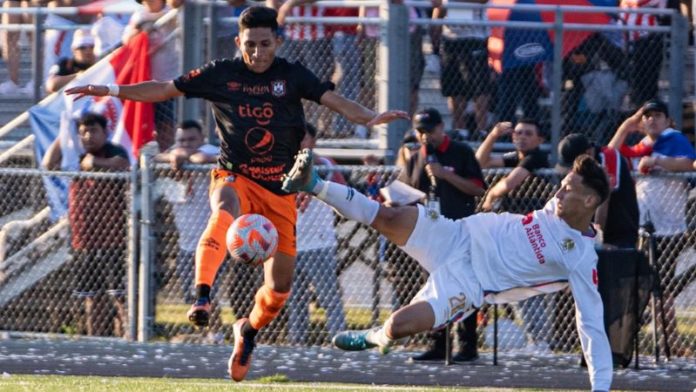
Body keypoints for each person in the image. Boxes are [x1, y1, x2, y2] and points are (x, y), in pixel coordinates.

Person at [65, 6, 408, 382]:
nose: (257, 53)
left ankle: (247, 332)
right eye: (250, 45)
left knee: (279, 290)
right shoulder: (221, 74)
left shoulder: (292, 76)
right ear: (238, 42)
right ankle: (201, 295)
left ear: (278, 41)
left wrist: (370, 117)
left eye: (265, 44)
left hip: (280, 189)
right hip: (235, 174)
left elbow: (334, 100)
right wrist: (111, 90)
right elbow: (163, 89)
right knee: (222, 212)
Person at [282, 150, 612, 392]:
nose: (559, 191)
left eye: (569, 188)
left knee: (400, 325)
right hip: (457, 236)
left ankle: (375, 337)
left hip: (469, 283)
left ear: (588, 202)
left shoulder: (580, 258)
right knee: (391, 217)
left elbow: (591, 323)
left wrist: (599, 387)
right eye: (563, 184)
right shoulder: (556, 206)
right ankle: (312, 182)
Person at [397, 108, 485, 362]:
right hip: (430, 236)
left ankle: (468, 346)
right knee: (433, 289)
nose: (425, 137)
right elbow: (404, 190)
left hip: (459, 231)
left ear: (440, 128)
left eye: (429, 131)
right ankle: (438, 344)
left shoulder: (461, 153)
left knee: (464, 286)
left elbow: (478, 189)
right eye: (420, 132)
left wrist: (445, 175)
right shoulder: (416, 158)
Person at [608, 99, 696, 351]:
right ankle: (665, 340)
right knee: (651, 285)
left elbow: (689, 163)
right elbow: (611, 156)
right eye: (647, 116)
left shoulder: (674, 139)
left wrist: (658, 162)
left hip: (668, 228)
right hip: (642, 226)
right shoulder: (642, 146)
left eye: (658, 115)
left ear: (668, 121)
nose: (652, 119)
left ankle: (669, 340)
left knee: (660, 286)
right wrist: (626, 126)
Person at [43, 112, 130, 336]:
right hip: (84, 238)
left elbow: (123, 164)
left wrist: (95, 162)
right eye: (83, 132)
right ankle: (95, 340)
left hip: (113, 239)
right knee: (92, 298)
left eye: (93, 131)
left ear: (105, 132)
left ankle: (130, 339)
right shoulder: (75, 155)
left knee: (120, 296)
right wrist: (65, 135)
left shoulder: (113, 151)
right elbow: (48, 164)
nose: (88, 136)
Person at [287, 123, 347, 345]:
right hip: (292, 243)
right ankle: (297, 341)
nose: (299, 143)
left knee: (329, 296)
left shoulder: (324, 164)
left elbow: (341, 188)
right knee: (296, 299)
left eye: (303, 138)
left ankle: (339, 339)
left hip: (318, 244)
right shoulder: (284, 165)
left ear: (313, 142)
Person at [154, 120, 219, 302]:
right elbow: (153, 158)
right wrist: (176, 154)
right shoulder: (174, 154)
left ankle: (215, 331)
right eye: (182, 140)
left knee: (207, 295)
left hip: (210, 240)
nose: (186, 144)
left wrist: (184, 155)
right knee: (190, 297)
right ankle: (205, 331)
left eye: (192, 139)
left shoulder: (209, 150)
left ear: (202, 138)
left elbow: (204, 158)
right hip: (186, 243)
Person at [557, 133, 639, 249]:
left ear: (589, 153)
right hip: (588, 232)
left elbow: (603, 200)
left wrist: (597, 242)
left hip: (617, 234)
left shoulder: (608, 157)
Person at [433, 0, 493, 138]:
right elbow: (437, 6)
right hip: (450, 41)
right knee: (455, 89)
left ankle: (482, 131)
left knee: (480, 89)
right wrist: (434, 36)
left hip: (475, 38)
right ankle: (460, 130)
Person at [476, 118, 548, 212]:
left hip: (534, 210)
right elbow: (480, 162)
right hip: (515, 210)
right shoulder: (516, 156)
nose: (522, 137)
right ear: (513, 136)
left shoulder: (536, 157)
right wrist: (493, 135)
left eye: (528, 134)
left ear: (540, 140)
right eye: (518, 132)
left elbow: (508, 184)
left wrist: (491, 195)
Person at [45, 29, 97, 93]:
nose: (88, 51)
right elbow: (51, 85)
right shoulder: (66, 64)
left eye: (92, 47)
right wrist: (78, 76)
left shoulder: (100, 64)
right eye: (82, 47)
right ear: (74, 50)